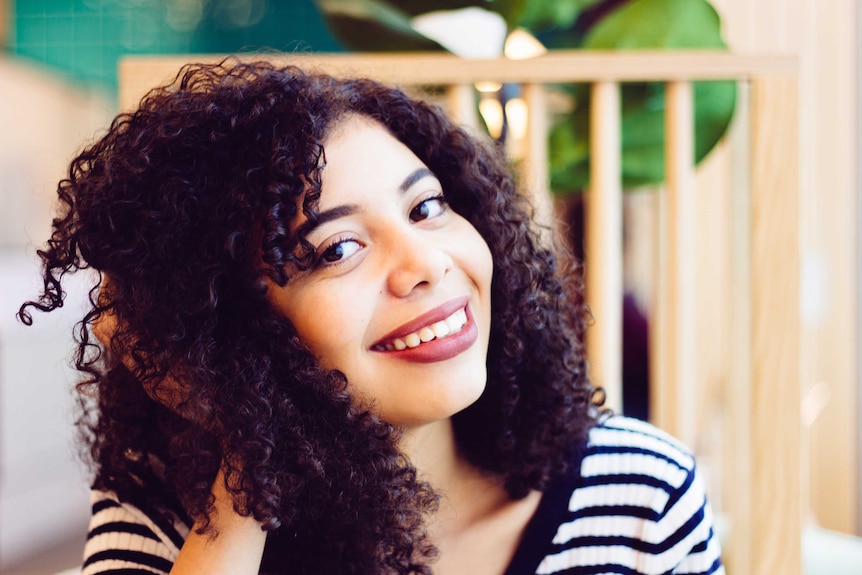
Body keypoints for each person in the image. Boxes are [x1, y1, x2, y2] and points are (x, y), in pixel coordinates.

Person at [19, 59, 723, 575]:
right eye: (338, 248)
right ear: (228, 327)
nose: (426, 261)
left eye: (427, 208)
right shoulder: (170, 512)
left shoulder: (638, 492)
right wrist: (246, 475)